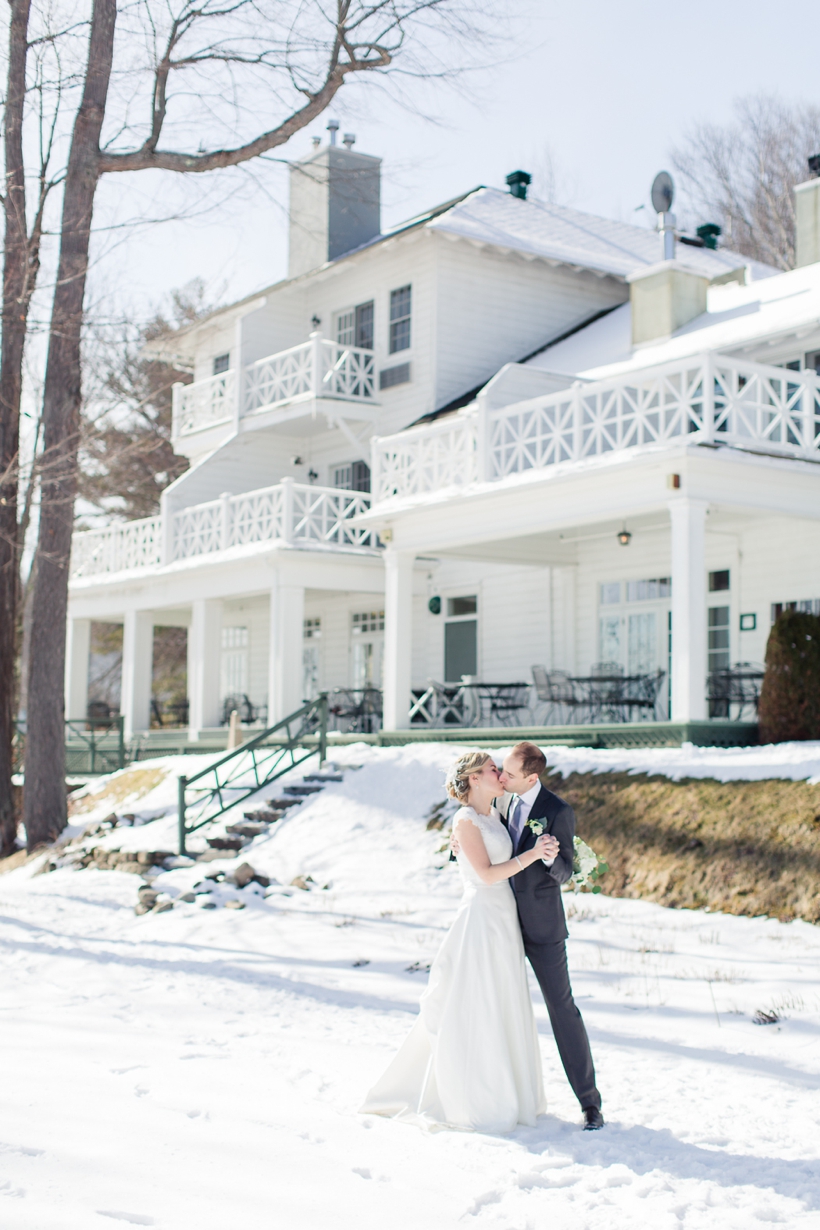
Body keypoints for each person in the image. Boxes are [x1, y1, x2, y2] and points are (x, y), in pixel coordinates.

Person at [360, 750, 552, 1133]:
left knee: (502, 999)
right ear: (475, 779)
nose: (500, 773)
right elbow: (484, 874)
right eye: (492, 769)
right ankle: (478, 1096)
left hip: (504, 919)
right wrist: (532, 855)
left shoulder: (495, 815)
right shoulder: (465, 821)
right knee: (477, 1002)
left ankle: (511, 1090)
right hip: (481, 919)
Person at [494, 741, 603, 1130]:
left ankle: (590, 1103)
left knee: (562, 1009)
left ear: (531, 777)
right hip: (499, 921)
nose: (500, 776)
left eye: (508, 772)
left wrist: (549, 857)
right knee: (493, 1008)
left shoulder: (558, 811)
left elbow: (566, 872)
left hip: (542, 928)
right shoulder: (499, 801)